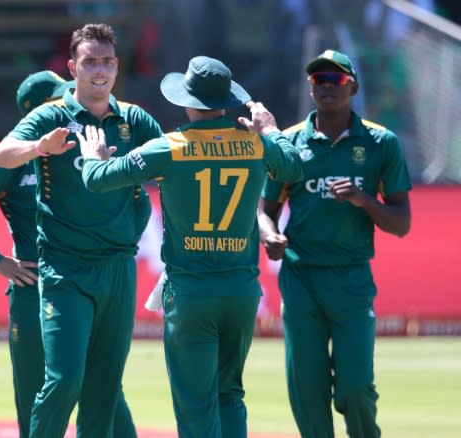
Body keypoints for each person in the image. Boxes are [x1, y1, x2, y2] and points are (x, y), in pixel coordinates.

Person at [77, 55, 303, 438]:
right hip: (242, 290)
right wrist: (271, 130)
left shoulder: (170, 146)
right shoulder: (253, 144)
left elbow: (98, 180)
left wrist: (90, 159)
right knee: (229, 394)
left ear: (187, 100)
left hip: (191, 290)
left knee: (195, 402)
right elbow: (294, 169)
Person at [0, 70, 146, 438]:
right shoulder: (11, 163)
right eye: (58, 101)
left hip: (83, 275)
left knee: (105, 390)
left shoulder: (83, 156)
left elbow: (138, 200)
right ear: (37, 113)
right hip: (33, 286)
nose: (69, 108)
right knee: (41, 391)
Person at [0, 23, 163, 437]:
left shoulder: (135, 119)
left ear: (117, 66)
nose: (99, 71)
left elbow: (174, 162)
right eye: (89, 63)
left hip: (118, 268)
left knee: (104, 389)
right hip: (65, 269)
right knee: (65, 379)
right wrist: (38, 148)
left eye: (106, 62)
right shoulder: (52, 116)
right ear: (72, 67)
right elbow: (0, 156)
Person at [257, 49, 412, 438]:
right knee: (307, 392)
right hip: (301, 278)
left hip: (351, 278)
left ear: (353, 87)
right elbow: (264, 210)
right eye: (319, 80)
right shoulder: (289, 142)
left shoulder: (380, 143)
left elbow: (402, 224)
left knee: (355, 388)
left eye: (337, 79)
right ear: (310, 88)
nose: (327, 86)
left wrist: (362, 198)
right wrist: (269, 236)